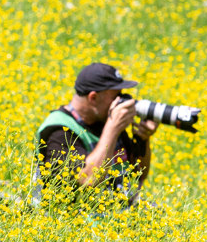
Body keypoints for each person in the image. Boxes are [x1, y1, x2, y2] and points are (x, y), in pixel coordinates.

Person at [34, 63, 158, 205]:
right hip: (74, 221)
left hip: (119, 215)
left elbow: (139, 174)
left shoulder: (105, 119)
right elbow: (88, 180)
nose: (121, 101)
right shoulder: (59, 130)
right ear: (93, 98)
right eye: (115, 96)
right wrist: (112, 128)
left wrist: (142, 139)